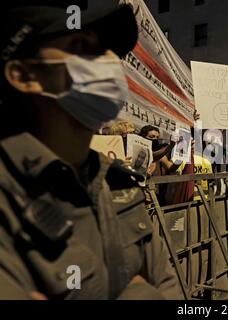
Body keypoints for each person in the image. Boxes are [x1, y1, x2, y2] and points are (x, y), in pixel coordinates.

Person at [0, 1, 182, 299]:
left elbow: (170, 289)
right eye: (83, 46)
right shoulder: (8, 194)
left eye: (111, 50)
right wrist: (139, 293)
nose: (110, 61)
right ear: (24, 76)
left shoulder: (119, 184)